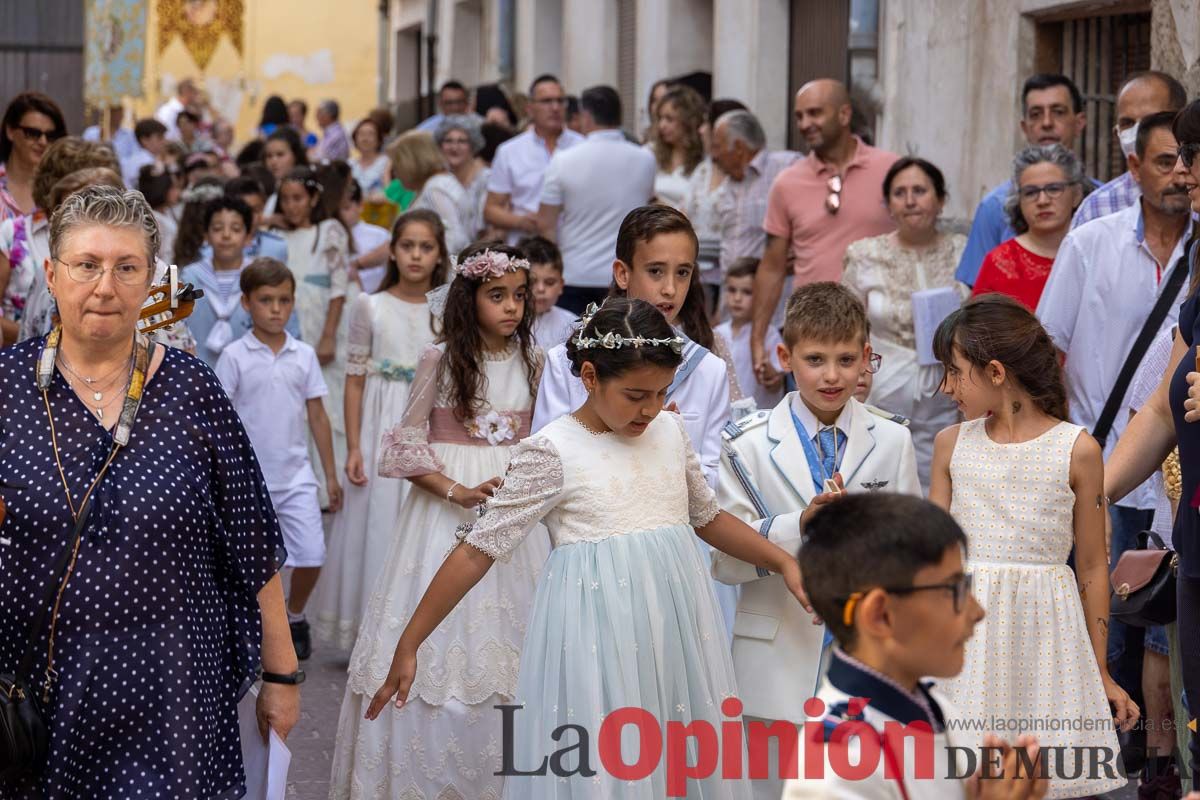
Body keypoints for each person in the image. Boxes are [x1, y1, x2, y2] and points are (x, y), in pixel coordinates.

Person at [363, 296, 811, 799]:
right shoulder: (552, 451)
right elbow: (477, 550)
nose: (651, 408)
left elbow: (706, 517)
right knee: (605, 762)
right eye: (636, 394)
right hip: (597, 639)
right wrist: (410, 642)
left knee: (673, 756)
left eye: (662, 392)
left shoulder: (669, 430)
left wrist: (780, 560)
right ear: (591, 376)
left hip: (675, 629)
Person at [0, 185, 298, 797]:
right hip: (44, 691)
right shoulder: (7, 389)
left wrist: (282, 676)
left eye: (126, 267)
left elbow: (252, 538)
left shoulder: (192, 389)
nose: (105, 287)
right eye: (87, 265)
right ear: (52, 276)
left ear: (152, 281)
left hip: (174, 690)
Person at [330, 243, 550, 799]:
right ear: (467, 297)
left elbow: (544, 438)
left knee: (514, 642)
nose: (511, 308)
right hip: (442, 511)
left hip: (512, 509)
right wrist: (456, 491)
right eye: (497, 295)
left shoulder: (537, 360)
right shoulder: (441, 357)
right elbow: (405, 446)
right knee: (441, 638)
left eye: (519, 297)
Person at [715, 282, 920, 800]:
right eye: (815, 359)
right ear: (785, 356)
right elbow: (724, 561)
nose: (832, 375)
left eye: (846, 359)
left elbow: (913, 555)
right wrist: (798, 526)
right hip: (773, 660)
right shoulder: (747, 446)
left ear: (867, 359)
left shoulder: (893, 438)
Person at [929, 294, 1134, 798]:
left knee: (1044, 779)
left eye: (954, 372)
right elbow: (931, 561)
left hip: (1049, 647)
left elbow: (1090, 565)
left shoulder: (1078, 450)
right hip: (966, 641)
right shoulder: (950, 445)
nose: (945, 386)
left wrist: (1100, 669)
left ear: (995, 372)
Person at [1038, 110, 1195, 714]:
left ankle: (1154, 754)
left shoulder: (1198, 250)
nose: (1180, 176)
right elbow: (1048, 356)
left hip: (1176, 480)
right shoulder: (1089, 243)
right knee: (1106, 607)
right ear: (1133, 167)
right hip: (1107, 454)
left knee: (1163, 625)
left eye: (1188, 161)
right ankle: (1111, 737)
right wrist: (1071, 471)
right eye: (1166, 162)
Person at [532, 205, 738, 628]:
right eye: (656, 271)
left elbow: (714, 472)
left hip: (679, 553)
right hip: (593, 555)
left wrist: (672, 449)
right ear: (623, 274)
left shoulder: (708, 369)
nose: (670, 289)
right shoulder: (567, 362)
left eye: (683, 273)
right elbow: (549, 460)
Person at [783, 494, 1051, 800]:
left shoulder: (934, 704)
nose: (977, 611)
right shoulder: (838, 768)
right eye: (955, 589)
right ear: (881, 615)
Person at [313, 209, 447, 651]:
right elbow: (353, 381)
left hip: (430, 423)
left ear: (439, 253)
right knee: (377, 523)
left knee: (426, 521)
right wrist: (354, 446)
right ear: (391, 250)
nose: (415, 255)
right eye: (407, 246)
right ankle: (374, 630)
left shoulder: (446, 307)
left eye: (426, 247)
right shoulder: (370, 305)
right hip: (380, 423)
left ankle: (421, 629)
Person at [216, 258, 342, 662]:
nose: (275, 308)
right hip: (248, 483)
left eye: (283, 300)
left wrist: (331, 475)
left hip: (296, 476)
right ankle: (258, 629)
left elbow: (318, 416)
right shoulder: (234, 356)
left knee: (312, 554)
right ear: (246, 303)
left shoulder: (303, 355)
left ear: (293, 304)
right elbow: (220, 421)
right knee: (250, 562)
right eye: (265, 300)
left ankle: (295, 613)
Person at [751, 79, 897, 381]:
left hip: (882, 341)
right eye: (800, 116)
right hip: (810, 339)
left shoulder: (892, 170)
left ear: (844, 115)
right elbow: (772, 266)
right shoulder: (786, 183)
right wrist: (758, 338)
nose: (805, 124)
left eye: (815, 113)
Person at [842, 156, 966, 488]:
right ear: (888, 205)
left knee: (941, 473)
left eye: (920, 190)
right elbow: (846, 327)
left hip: (949, 388)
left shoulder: (962, 251)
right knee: (883, 472)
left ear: (940, 200)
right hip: (884, 385)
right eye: (900, 193)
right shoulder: (865, 254)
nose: (910, 200)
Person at [956, 74, 1089, 287]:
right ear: (1025, 127)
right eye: (1036, 114)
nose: (1046, 123)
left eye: (1058, 112)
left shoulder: (1102, 200)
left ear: (1079, 122)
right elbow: (979, 294)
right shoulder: (994, 207)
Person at [535, 85, 657, 312]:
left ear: (586, 116)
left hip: (574, 273)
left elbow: (546, 224)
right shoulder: (646, 159)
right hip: (625, 274)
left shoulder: (563, 160)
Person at [4, 138, 122, 346]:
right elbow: (29, 338)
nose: (94, 206)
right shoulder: (41, 265)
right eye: (83, 195)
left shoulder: (139, 264)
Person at [182, 195, 302, 367]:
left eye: (236, 229)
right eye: (217, 228)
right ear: (206, 235)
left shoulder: (262, 276)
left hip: (254, 372)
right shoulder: (189, 277)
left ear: (248, 237)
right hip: (199, 373)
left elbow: (289, 325)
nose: (226, 235)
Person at [971, 145, 1087, 309]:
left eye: (1054, 189)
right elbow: (977, 329)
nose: (1042, 201)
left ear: (1076, 195)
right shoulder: (998, 263)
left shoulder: (1093, 252)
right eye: (1031, 192)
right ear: (1019, 201)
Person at [1072, 71, 1187, 229]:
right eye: (1128, 123)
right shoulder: (1095, 209)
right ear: (1117, 133)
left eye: (1150, 121)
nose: (1138, 131)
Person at [710, 109, 798, 308]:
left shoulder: (787, 167)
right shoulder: (726, 188)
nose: (713, 156)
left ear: (739, 147)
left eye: (717, 146)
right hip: (733, 308)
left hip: (775, 308)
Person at [485, 74, 583, 245]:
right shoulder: (510, 151)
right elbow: (491, 209)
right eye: (546, 101)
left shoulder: (583, 147)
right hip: (527, 247)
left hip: (575, 247)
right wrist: (521, 222)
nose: (555, 107)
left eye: (560, 101)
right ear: (530, 108)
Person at [685, 98, 747, 308]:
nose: (701, 130)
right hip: (697, 274)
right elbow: (684, 213)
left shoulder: (743, 175)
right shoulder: (702, 170)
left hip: (732, 278)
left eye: (706, 124)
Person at [715, 258, 783, 411]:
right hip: (725, 417)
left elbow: (776, 384)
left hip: (760, 418)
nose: (737, 298)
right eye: (732, 290)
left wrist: (769, 372)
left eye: (747, 292)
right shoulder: (717, 333)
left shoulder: (769, 335)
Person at [0, 92, 67, 221]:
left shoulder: (61, 191)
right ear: (10, 131)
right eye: (33, 133)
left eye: (50, 136)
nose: (43, 142)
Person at [649, 85, 706, 210]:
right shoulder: (650, 153)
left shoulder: (705, 161)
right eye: (660, 118)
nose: (662, 125)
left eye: (669, 119)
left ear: (688, 121)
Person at [519, 234, 576, 349]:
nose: (540, 289)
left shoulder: (572, 324)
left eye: (549, 282)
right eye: (531, 282)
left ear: (561, 285)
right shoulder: (511, 323)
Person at [221, 174, 290, 263]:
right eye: (243, 210)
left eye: (256, 210)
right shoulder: (211, 250)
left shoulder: (276, 247)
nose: (250, 216)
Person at [338, 178, 390, 292]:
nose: (341, 214)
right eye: (337, 209)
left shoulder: (380, 236)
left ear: (361, 205)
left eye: (346, 208)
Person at [262, 127, 309, 220]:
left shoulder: (308, 187)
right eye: (269, 156)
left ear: (295, 155)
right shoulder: (271, 192)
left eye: (280, 154)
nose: (273, 161)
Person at [349, 117, 390, 202]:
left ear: (379, 139)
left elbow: (389, 192)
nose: (365, 139)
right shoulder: (350, 164)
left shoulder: (387, 162)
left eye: (370, 134)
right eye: (361, 134)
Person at [122, 118, 167, 190]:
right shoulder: (147, 162)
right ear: (144, 140)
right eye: (159, 137)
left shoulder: (132, 159)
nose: (164, 141)